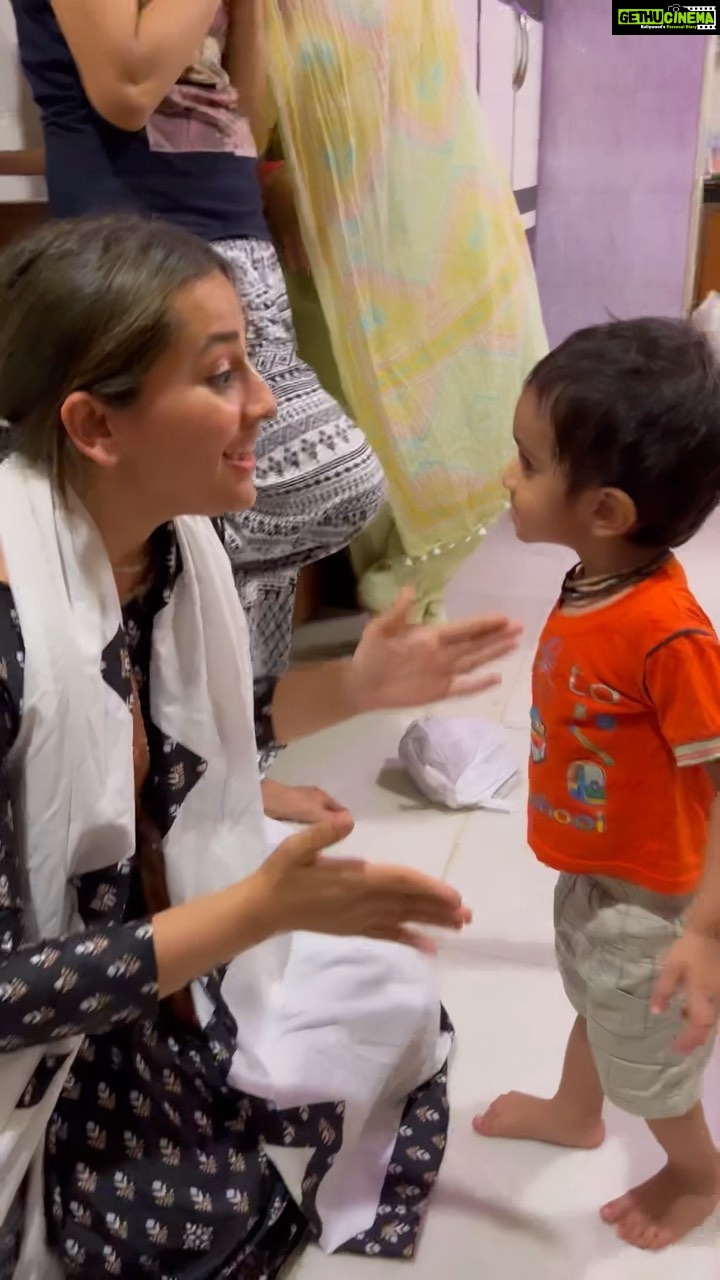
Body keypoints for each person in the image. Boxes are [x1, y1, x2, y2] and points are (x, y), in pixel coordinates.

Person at [0, 215, 521, 1277]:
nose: (269, 403)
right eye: (224, 372)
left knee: (393, 1006)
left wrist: (358, 686)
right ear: (98, 426)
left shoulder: (169, 545)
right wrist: (258, 906)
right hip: (55, 1023)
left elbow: (182, 728)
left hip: (153, 974)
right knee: (179, 1234)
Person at [8, 0, 386, 697]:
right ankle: (162, 690)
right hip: (148, 247)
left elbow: (246, 113)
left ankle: (236, 756)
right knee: (326, 482)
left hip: (236, 236)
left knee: (247, 526)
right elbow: (125, 91)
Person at [473, 318, 720, 1250]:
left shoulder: (670, 634)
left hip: (659, 905)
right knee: (594, 998)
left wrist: (703, 928)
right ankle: (577, 1112)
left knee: (651, 1065)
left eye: (527, 462)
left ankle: (699, 1173)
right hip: (601, 874)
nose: (509, 475)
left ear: (607, 509)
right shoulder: (597, 577)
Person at [259, 0, 548, 621]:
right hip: (319, 237)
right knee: (356, 416)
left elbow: (428, 106)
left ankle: (414, 577)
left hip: (419, 217)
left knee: (483, 394)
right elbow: (239, 114)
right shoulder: (273, 14)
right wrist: (275, 177)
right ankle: (398, 579)